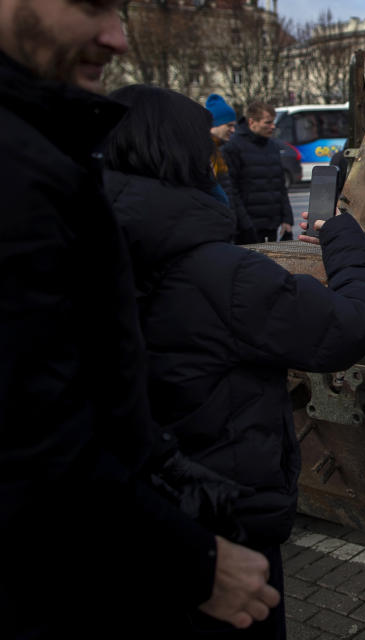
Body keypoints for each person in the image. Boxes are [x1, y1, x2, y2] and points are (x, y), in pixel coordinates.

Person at [0, 1, 280, 637]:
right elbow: (31, 433)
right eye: (90, 2)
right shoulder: (24, 169)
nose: (118, 37)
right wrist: (188, 557)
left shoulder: (52, 152)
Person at [103, 84, 365, 639]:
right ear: (182, 158)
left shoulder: (67, 243)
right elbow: (350, 326)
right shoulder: (220, 273)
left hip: (134, 516)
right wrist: (345, 239)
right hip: (222, 521)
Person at [223, 101, 295, 242]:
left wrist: (287, 219)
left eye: (273, 122)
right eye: (267, 123)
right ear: (252, 122)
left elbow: (280, 185)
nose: (273, 127)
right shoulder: (233, 148)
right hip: (247, 229)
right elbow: (232, 190)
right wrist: (244, 224)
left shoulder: (272, 146)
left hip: (271, 226)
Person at [206, 93, 257, 243]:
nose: (233, 130)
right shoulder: (206, 154)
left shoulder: (217, 152)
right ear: (214, 125)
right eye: (229, 125)